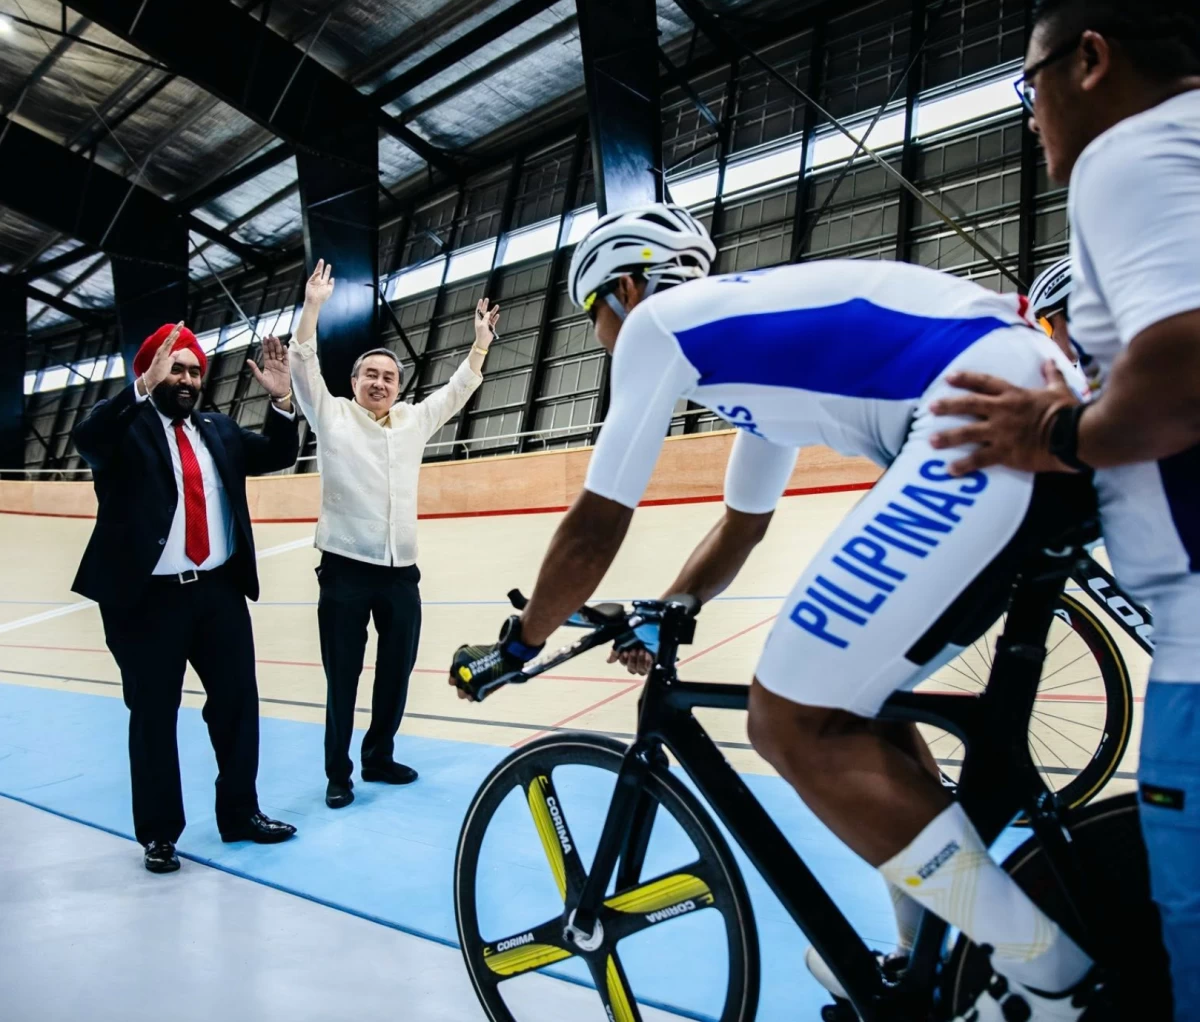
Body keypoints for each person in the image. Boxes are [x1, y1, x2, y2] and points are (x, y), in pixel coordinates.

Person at [450, 204, 1101, 1021]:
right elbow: (742, 524)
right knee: (853, 701)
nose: (603, 341)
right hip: (1014, 396)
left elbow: (594, 530)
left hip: (976, 415)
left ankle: (1048, 975)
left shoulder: (659, 326)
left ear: (623, 287)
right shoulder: (751, 355)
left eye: (592, 320)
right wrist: (672, 608)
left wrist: (519, 643)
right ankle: (920, 950)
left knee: (788, 721)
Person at [923, 1, 1200, 1009]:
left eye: (1028, 81)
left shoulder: (1128, 151)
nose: (1028, 112)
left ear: (1090, 59)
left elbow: (1180, 378)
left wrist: (1051, 432)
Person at [72, 322, 300, 873]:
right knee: (154, 716)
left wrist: (284, 400)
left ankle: (240, 813)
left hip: (218, 592)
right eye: (175, 368)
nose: (187, 378)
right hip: (147, 601)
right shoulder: (125, 432)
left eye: (194, 370)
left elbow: (275, 453)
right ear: (151, 372)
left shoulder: (217, 430)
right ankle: (159, 833)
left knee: (238, 705)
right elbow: (89, 439)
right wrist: (140, 390)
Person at [289, 260, 499, 809]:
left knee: (397, 670)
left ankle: (378, 756)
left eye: (389, 377)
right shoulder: (330, 415)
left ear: (398, 387)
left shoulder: (412, 423)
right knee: (343, 676)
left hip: (401, 572)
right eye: (370, 376)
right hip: (344, 571)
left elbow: (455, 392)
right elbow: (303, 361)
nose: (379, 383)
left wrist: (479, 345)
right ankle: (339, 772)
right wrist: (313, 307)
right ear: (354, 383)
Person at [1025, 258, 1097, 395]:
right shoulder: (1089, 371)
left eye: (1045, 326)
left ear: (1074, 314)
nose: (1049, 338)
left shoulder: (1128, 367)